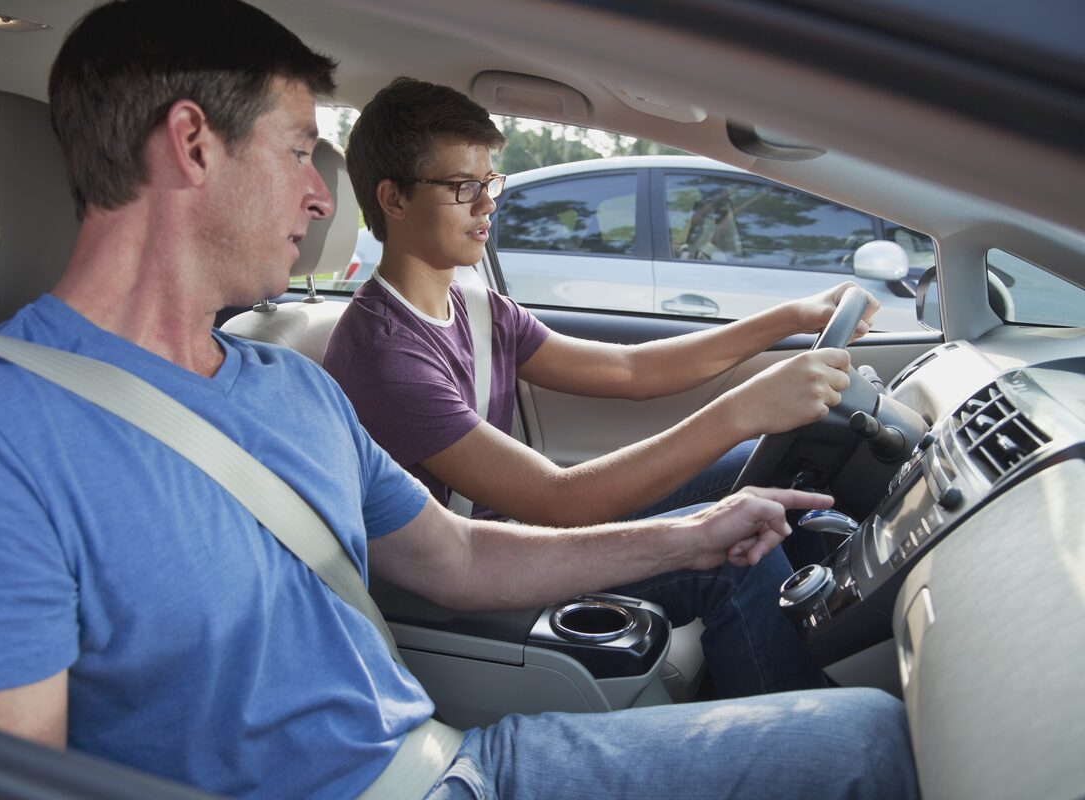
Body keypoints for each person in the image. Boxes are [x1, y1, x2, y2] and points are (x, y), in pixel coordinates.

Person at [0, 2, 918, 799]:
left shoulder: (291, 382)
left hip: (456, 758)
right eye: (300, 149)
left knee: (870, 735)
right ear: (192, 144)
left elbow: (461, 556)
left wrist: (696, 534)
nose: (322, 194)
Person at [323, 77, 873, 697]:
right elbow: (558, 501)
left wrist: (791, 317)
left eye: (489, 182)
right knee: (735, 558)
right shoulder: (384, 355)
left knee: (759, 464)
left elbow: (629, 371)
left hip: (517, 538)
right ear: (393, 199)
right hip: (473, 578)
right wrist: (743, 408)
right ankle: (801, 741)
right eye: (462, 188)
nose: (487, 204)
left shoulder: (476, 308)